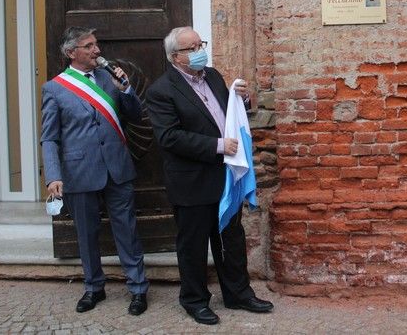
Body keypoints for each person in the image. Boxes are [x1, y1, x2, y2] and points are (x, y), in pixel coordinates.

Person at [145, 26, 273, 325]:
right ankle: (194, 300)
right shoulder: (161, 91)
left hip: (224, 177)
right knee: (193, 244)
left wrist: (241, 101)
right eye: (191, 48)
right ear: (175, 57)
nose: (199, 51)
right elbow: (169, 137)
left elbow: (226, 115)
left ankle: (238, 293)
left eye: (200, 44)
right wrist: (218, 145)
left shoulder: (213, 76)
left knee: (231, 238)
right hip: (191, 180)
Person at [41, 26, 149, 315]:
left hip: (117, 168)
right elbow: (50, 137)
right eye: (88, 46)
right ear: (71, 52)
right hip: (79, 171)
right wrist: (53, 175)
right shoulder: (54, 88)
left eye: (96, 44)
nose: (96, 50)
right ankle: (93, 287)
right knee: (87, 235)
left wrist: (126, 90)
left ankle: (138, 288)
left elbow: (135, 116)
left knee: (127, 230)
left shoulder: (109, 78)